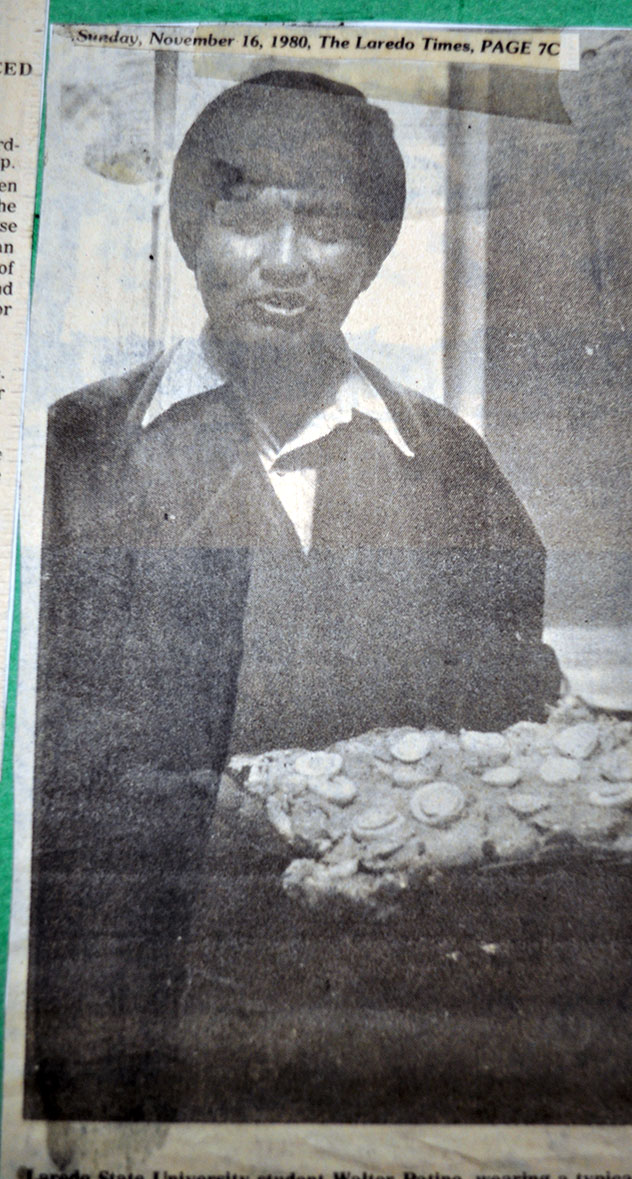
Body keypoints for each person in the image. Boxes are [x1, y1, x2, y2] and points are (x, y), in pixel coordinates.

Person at [26, 70, 561, 1121]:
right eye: (244, 217)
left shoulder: (445, 460)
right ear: (187, 234)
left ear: (369, 253)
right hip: (154, 1013)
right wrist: (224, 815)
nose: (281, 264)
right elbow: (32, 736)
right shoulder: (72, 447)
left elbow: (516, 693)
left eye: (321, 226)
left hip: (412, 1006)